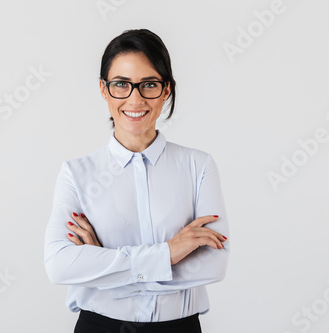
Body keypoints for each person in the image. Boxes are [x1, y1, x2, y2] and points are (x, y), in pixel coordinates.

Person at [44, 28, 230, 333]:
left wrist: (103, 267)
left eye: (149, 84)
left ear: (166, 89)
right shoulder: (76, 173)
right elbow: (59, 265)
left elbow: (213, 265)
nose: (135, 98)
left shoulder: (199, 166)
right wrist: (169, 253)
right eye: (121, 84)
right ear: (104, 89)